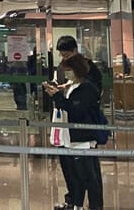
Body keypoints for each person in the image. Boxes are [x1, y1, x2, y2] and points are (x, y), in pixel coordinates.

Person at [43, 53, 104, 210]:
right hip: (70, 139)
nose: (67, 73)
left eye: (69, 69)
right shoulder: (72, 86)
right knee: (76, 177)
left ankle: (95, 206)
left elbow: (76, 110)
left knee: (89, 177)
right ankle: (76, 204)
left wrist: (57, 97)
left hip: (83, 139)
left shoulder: (87, 89)